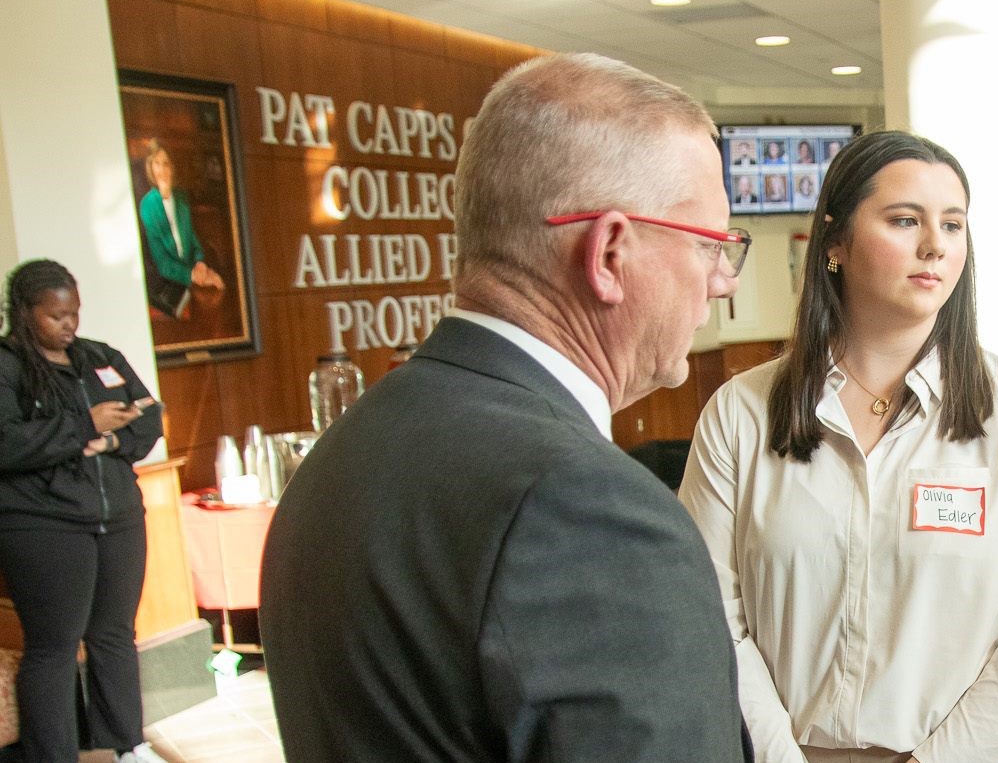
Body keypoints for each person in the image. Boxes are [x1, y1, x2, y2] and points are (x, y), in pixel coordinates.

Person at [260, 53, 752, 762]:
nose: (722, 281)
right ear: (610, 252)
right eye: (710, 245)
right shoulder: (592, 513)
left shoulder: (347, 448)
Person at [680, 130, 998, 763]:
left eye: (953, 225)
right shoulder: (740, 414)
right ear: (835, 243)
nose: (935, 245)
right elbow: (711, 617)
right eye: (905, 220)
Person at [0, 259, 166, 763]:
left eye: (74, 312)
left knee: (115, 634)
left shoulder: (99, 357)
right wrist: (83, 428)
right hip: (42, 525)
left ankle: (127, 746)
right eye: (56, 316)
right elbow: (7, 444)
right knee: (54, 645)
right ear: (26, 313)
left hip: (117, 517)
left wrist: (110, 437)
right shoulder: (6, 366)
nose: (70, 325)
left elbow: (149, 417)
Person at [135, 139, 224, 315]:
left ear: (172, 167)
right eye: (157, 164)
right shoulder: (148, 205)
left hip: (192, 275)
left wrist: (199, 262)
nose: (162, 170)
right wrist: (193, 275)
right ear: (151, 168)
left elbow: (192, 238)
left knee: (219, 291)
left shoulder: (181, 198)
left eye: (166, 164)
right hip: (168, 282)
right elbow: (162, 263)